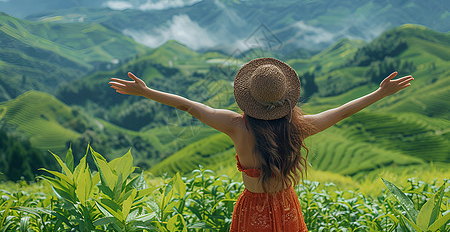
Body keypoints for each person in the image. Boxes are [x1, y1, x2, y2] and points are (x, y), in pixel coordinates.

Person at [108, 57, 413, 231]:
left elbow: (190, 106)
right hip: (286, 205)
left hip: (250, 208)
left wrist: (147, 92)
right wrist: (379, 93)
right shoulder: (297, 127)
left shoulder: (235, 125)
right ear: (285, 99)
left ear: (248, 98)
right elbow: (342, 111)